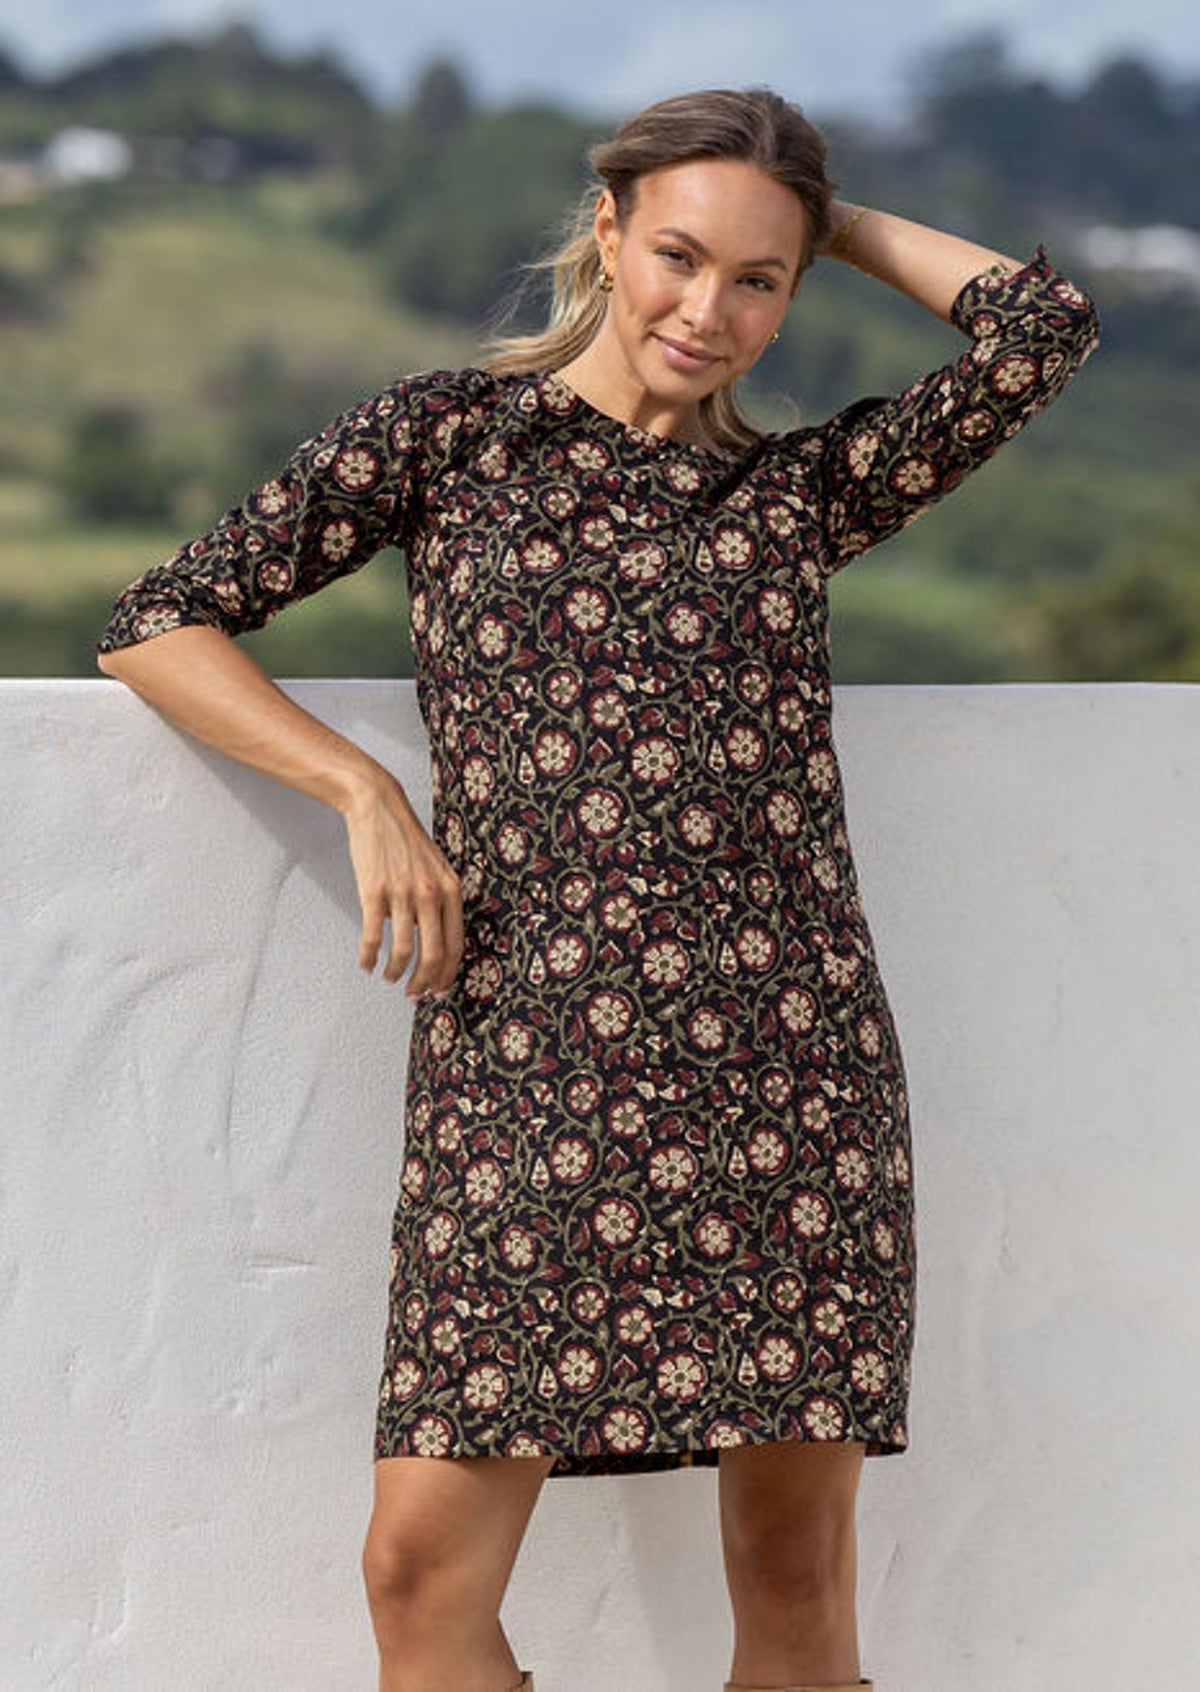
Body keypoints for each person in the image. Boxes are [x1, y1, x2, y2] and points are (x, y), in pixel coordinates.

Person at [97, 86, 1098, 1692]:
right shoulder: (448, 439)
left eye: (760, 279)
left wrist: (821, 217)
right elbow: (162, 619)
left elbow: (1040, 332)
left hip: (788, 1082)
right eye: (681, 254)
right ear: (609, 230)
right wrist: (362, 788)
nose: (712, 311)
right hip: (527, 1066)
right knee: (418, 1575)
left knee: (793, 1577)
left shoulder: (798, 499)